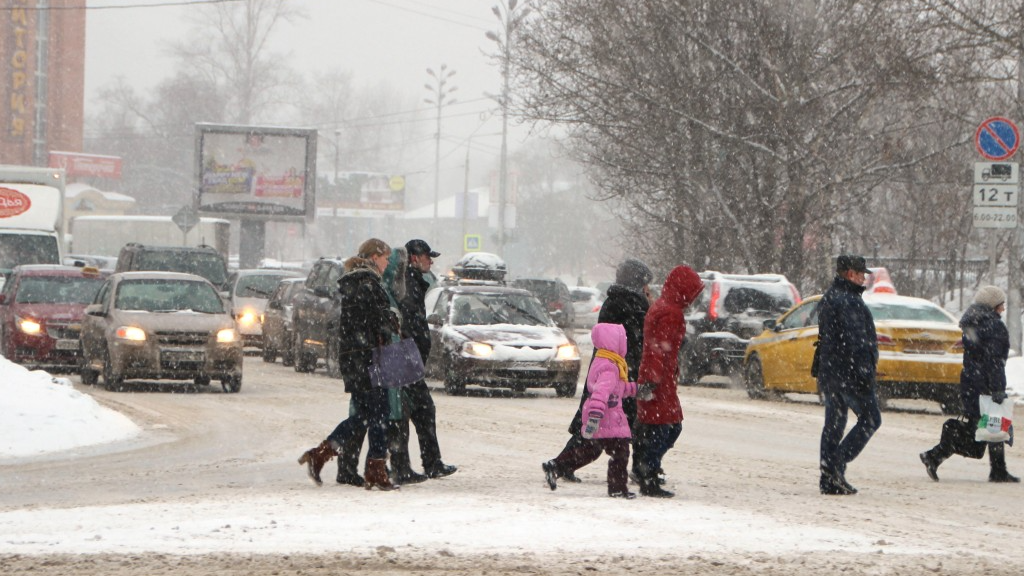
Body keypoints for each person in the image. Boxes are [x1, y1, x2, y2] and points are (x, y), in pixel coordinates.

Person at [297, 238, 399, 491]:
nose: (387, 263)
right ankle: (375, 469)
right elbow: (376, 321)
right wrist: (391, 319)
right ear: (374, 257)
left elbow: (359, 321)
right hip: (368, 358)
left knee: (364, 415)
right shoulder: (368, 282)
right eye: (385, 258)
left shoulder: (355, 281)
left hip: (355, 358)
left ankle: (321, 453)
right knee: (380, 414)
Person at [548, 258, 654, 485]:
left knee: (602, 424)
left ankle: (563, 463)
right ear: (636, 282)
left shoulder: (622, 301)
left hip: (617, 368)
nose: (648, 289)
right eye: (645, 284)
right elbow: (634, 336)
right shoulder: (625, 303)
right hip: (615, 370)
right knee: (610, 425)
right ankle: (638, 470)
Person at [920, 285, 1019, 483]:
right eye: (1001, 305)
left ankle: (997, 470)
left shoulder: (972, 323)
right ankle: (935, 455)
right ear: (993, 305)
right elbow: (994, 361)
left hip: (971, 382)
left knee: (992, 425)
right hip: (986, 384)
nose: (1003, 309)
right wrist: (998, 388)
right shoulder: (993, 326)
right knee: (990, 426)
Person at [542, 323, 639, 499]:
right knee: (621, 453)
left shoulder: (603, 361)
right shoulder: (611, 366)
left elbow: (617, 390)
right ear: (614, 342)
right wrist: (595, 416)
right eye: (622, 340)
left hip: (603, 417)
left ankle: (556, 466)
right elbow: (601, 393)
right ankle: (618, 488)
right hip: (607, 418)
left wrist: (636, 389)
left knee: (590, 450)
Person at [635, 265, 704, 498]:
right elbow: (658, 348)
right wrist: (654, 379)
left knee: (659, 427)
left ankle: (645, 468)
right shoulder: (671, 313)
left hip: (658, 378)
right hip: (660, 380)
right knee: (666, 428)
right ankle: (648, 474)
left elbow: (656, 347)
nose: (694, 299)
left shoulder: (662, 307)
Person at [392, 239, 457, 480]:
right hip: (406, 358)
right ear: (414, 258)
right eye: (428, 256)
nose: (431, 261)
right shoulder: (408, 283)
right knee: (409, 411)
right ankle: (408, 466)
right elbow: (408, 322)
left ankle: (424, 463)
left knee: (417, 411)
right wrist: (412, 349)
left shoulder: (415, 282)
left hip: (409, 357)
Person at [817, 255, 881, 496]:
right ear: (849, 274)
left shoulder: (831, 297)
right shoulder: (849, 301)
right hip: (850, 374)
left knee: (834, 423)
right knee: (871, 419)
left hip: (833, 372)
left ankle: (828, 474)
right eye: (860, 273)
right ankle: (835, 465)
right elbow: (857, 342)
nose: (864, 277)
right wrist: (864, 372)